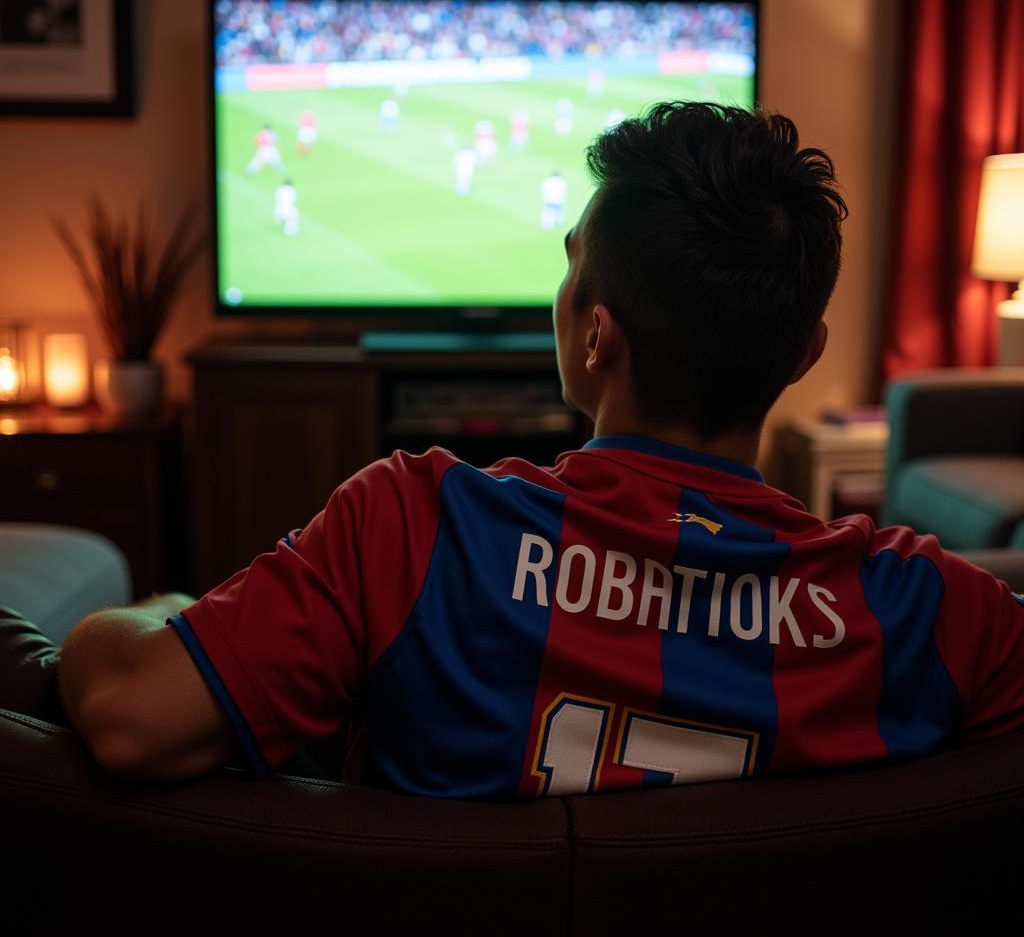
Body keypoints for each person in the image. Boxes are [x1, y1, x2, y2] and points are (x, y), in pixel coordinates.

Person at [57, 102, 1024, 799]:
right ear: (807, 353)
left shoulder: (416, 525)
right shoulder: (927, 610)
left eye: (569, 266)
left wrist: (157, 610)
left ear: (596, 336)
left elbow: (132, 720)